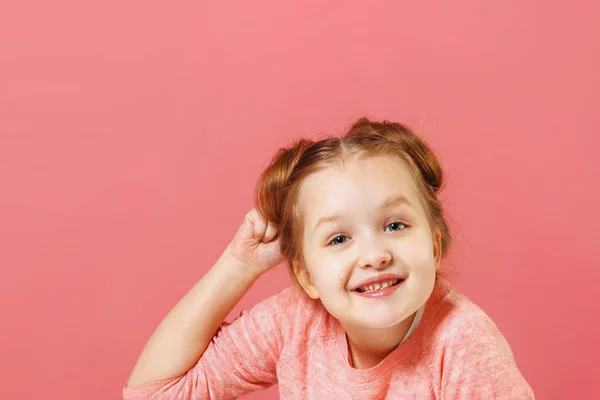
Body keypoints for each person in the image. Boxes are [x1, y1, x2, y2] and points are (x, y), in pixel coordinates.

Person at [123, 118, 534, 399]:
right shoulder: (295, 322)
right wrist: (239, 265)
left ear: (435, 243)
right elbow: (153, 393)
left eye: (395, 226)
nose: (374, 255)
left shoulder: (464, 346)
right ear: (307, 278)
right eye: (339, 238)